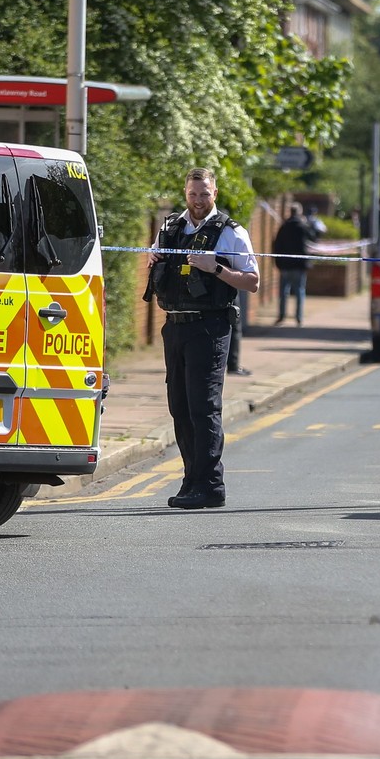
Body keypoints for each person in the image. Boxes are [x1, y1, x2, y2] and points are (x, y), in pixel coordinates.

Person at [145, 168, 259, 509]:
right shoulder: (171, 227)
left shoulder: (231, 232)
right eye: (193, 194)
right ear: (185, 193)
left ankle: (211, 484)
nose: (198, 200)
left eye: (205, 194)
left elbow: (252, 281)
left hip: (210, 328)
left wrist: (217, 269)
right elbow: (156, 266)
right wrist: (153, 261)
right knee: (179, 406)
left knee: (203, 407)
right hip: (175, 325)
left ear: (215, 193)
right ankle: (192, 479)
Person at [271, 203, 321, 327]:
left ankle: (281, 316)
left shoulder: (284, 226)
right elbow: (313, 239)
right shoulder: (303, 226)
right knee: (300, 291)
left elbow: (277, 244)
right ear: (299, 212)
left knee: (284, 292)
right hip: (299, 265)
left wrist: (278, 262)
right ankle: (299, 318)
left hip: (285, 264)